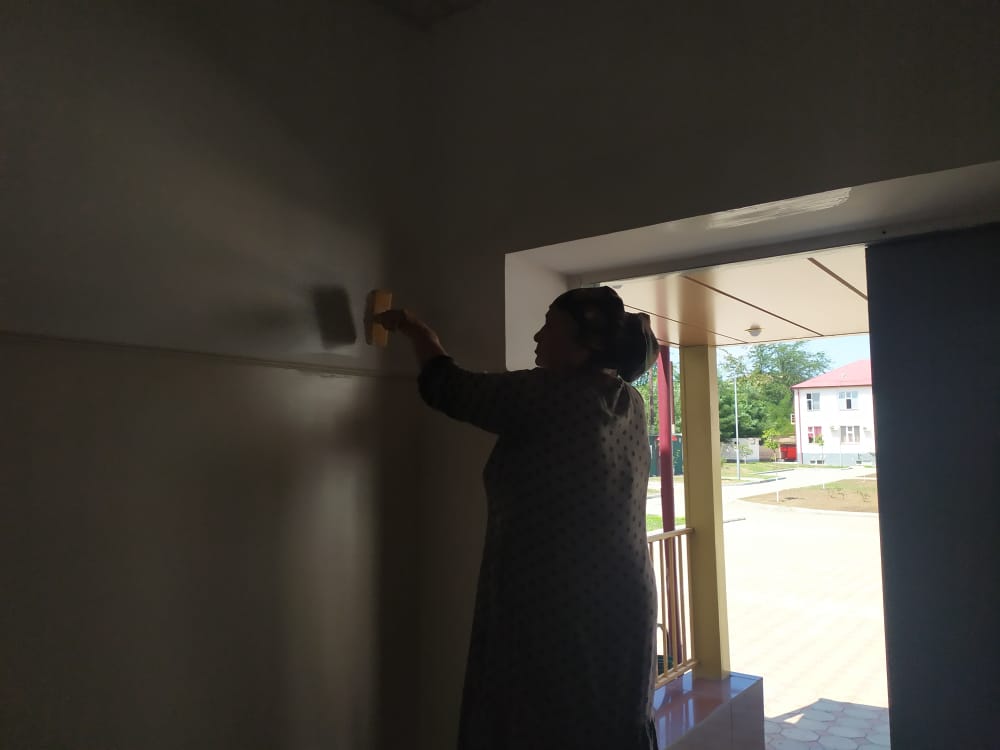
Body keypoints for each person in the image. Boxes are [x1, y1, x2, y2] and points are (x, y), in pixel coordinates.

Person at [376, 286, 660, 750]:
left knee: (537, 720)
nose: (537, 335)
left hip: (557, 604)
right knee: (605, 723)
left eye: (550, 325)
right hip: (622, 596)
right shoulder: (629, 401)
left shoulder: (549, 393)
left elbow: (448, 387)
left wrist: (417, 331)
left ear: (585, 344)